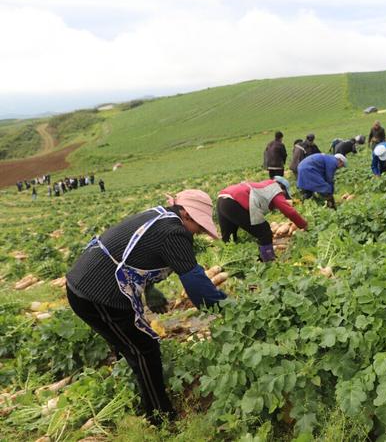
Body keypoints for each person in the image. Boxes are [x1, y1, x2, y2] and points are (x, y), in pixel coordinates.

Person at [65, 190, 227, 423]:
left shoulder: (160, 216)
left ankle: (142, 397)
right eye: (199, 226)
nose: (200, 232)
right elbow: (198, 288)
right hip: (96, 294)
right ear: (187, 215)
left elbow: (137, 251)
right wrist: (228, 308)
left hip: (86, 285)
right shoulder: (174, 232)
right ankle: (159, 415)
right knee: (144, 349)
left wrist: (150, 289)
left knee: (130, 344)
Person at [217, 176, 307, 261]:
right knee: (264, 232)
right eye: (284, 195)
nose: (283, 197)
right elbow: (289, 211)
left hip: (222, 199)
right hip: (233, 202)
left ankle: (230, 263)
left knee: (228, 239)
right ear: (282, 189)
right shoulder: (275, 190)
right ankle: (268, 261)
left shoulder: (264, 186)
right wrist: (303, 224)